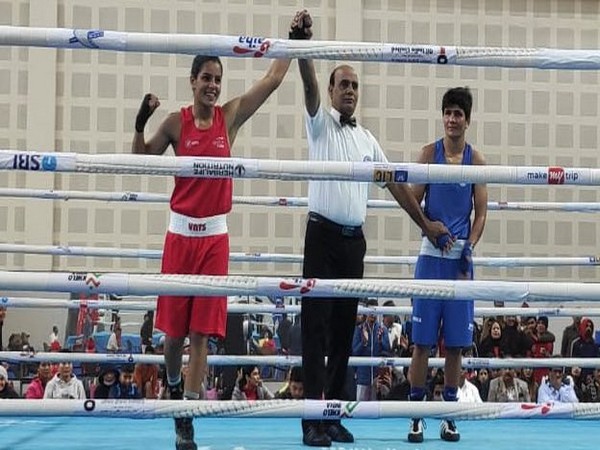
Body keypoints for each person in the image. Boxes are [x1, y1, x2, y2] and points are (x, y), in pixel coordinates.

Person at [289, 10, 449, 448]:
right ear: (332, 89)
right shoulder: (319, 123)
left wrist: (426, 223)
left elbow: (395, 183)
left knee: (343, 331)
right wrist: (302, 44)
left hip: (352, 244)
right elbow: (306, 83)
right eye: (344, 84)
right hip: (320, 239)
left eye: (356, 86)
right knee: (315, 329)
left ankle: (334, 415)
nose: (351, 92)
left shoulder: (366, 139)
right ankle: (311, 422)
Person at [132, 35, 291, 450]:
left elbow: (273, 78)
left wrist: (295, 42)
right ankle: (171, 385)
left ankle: (185, 413)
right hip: (180, 235)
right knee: (173, 335)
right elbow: (140, 160)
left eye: (218, 79)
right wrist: (138, 121)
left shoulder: (230, 117)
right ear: (192, 81)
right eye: (206, 78)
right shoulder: (174, 122)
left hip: (215, 239)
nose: (213, 85)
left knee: (201, 334)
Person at [408, 86, 488, 443]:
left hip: (460, 264)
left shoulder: (477, 162)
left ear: (467, 120)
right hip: (430, 258)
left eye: (458, 114)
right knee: (422, 343)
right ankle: (415, 416)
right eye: (448, 113)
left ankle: (450, 415)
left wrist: (470, 245)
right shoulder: (429, 154)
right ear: (443, 117)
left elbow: (481, 212)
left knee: (455, 345)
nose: (452, 119)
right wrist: (430, 227)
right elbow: (412, 201)